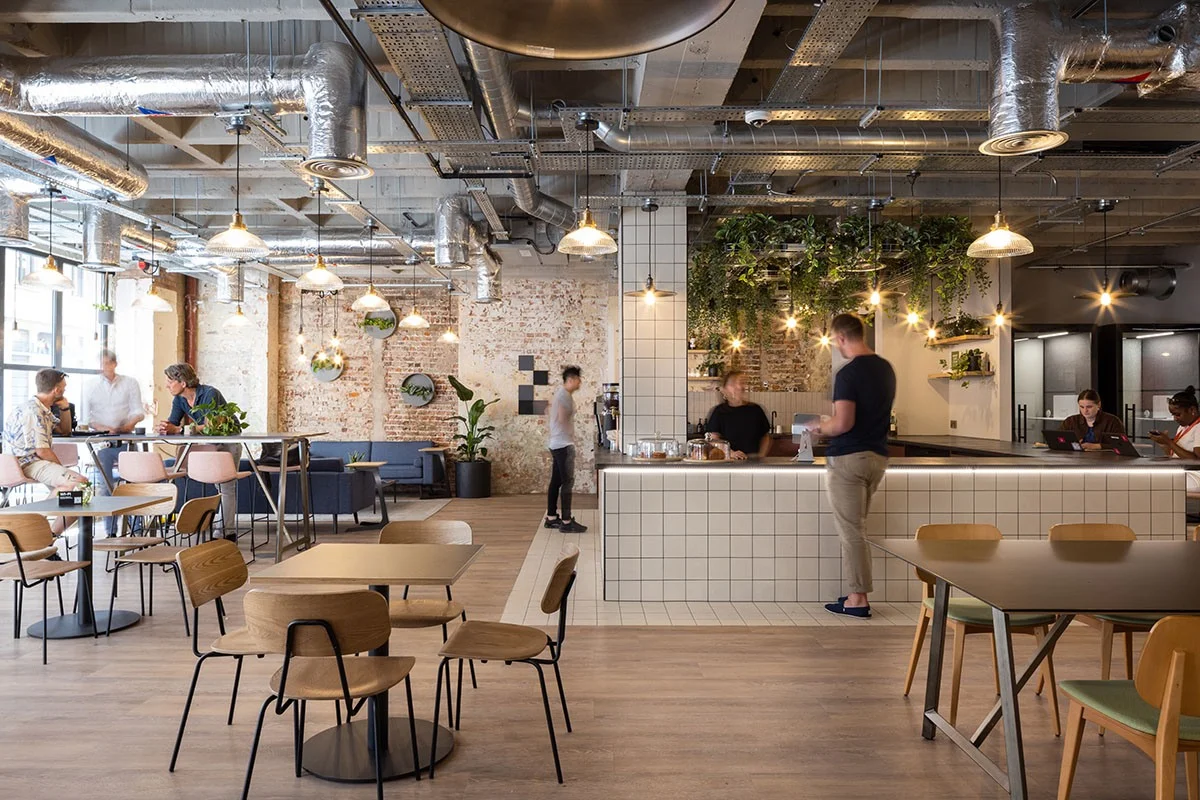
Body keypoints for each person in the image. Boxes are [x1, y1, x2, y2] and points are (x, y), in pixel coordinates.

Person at [808, 314, 895, 619]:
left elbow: (843, 423)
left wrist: (820, 426)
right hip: (876, 458)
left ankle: (858, 598)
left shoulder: (849, 373)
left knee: (851, 531)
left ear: (842, 337)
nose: (836, 345)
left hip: (849, 459)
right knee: (857, 527)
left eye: (835, 340)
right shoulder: (885, 369)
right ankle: (857, 594)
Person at [157, 363, 240, 540]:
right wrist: (165, 428)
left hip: (229, 440)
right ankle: (216, 525)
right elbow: (174, 423)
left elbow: (212, 424)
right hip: (210, 442)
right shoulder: (179, 399)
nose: (167, 385)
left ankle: (227, 531)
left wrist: (180, 430)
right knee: (218, 486)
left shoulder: (210, 393)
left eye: (170, 381)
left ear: (183, 383)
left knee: (226, 486)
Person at [3, 368, 86, 534]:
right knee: (80, 483)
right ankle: (31, 528)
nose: (65, 390)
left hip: (34, 461)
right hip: (26, 462)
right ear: (56, 390)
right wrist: (64, 471)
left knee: (80, 494)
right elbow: (42, 451)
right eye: (64, 387)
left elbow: (65, 431)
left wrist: (65, 408)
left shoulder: (42, 409)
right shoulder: (33, 412)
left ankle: (49, 538)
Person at [83, 349, 145, 534]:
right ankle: (111, 531)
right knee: (105, 486)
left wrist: (128, 425)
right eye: (100, 364)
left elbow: (138, 411)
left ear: (114, 364)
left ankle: (137, 527)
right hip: (102, 441)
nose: (103, 367)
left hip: (126, 438)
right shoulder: (89, 385)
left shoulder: (129, 383)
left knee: (134, 483)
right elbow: (86, 418)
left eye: (106, 363)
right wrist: (103, 428)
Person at [545, 365, 587, 533]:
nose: (580, 383)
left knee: (556, 481)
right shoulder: (564, 396)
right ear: (571, 380)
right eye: (578, 379)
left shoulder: (561, 395)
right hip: (563, 445)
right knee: (567, 483)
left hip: (556, 443)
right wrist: (569, 434)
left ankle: (551, 518)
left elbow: (552, 413)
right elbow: (562, 418)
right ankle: (566, 522)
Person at [704, 370, 771, 460]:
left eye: (741, 383)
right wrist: (730, 453)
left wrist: (761, 455)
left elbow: (765, 437)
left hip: (753, 462)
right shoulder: (719, 412)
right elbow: (713, 440)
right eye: (733, 384)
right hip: (729, 462)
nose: (739, 387)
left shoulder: (756, 410)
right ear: (724, 390)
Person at [1150, 386, 1200, 493]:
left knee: (1156, 483)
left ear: (1192, 410)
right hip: (1182, 471)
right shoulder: (1182, 427)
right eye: (1173, 415)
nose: (1175, 418)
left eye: (1178, 414)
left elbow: (1196, 461)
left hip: (1195, 475)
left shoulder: (1198, 427)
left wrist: (1169, 442)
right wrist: (1164, 444)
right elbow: (1175, 454)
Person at [1060, 389, 1125, 450]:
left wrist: (1098, 446)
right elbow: (1058, 440)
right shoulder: (1070, 421)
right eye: (1082, 407)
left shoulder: (1112, 421)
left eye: (1089, 407)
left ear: (1098, 405)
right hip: (1076, 457)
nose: (1085, 410)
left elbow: (1122, 445)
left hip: (1105, 457)